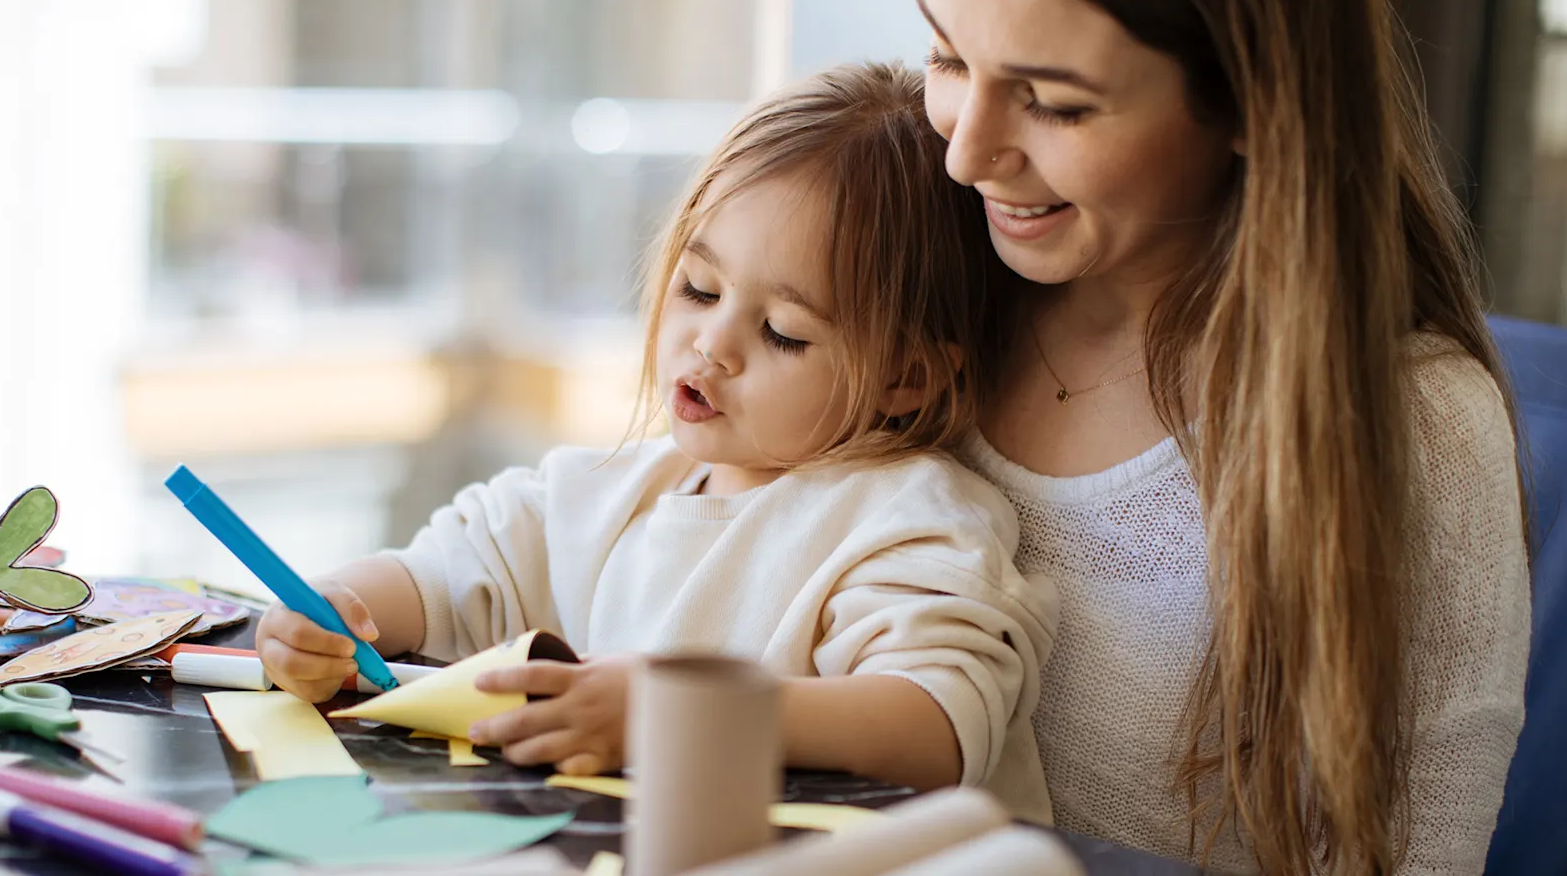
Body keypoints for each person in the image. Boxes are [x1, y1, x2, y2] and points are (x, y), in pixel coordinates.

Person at [256, 62, 1059, 821]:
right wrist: (332, 613)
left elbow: (932, 725)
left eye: (782, 333)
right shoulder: (608, 490)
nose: (710, 344)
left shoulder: (906, 515)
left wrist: (672, 711)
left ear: (906, 379)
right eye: (698, 287)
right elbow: (441, 572)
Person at [914, 0, 1530, 872]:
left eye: (1057, 102)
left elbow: (1404, 852)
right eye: (947, 60)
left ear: (1250, 102)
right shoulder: (918, 290)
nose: (965, 153)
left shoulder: (1411, 421)